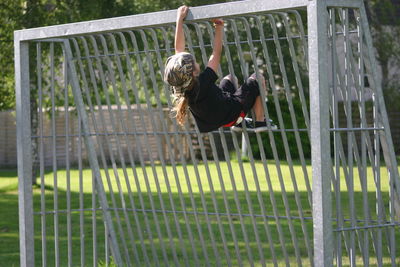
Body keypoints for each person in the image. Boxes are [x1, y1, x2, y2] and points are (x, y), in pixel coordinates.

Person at [164, 5, 275, 133]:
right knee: (257, 78)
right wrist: (219, 26)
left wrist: (179, 19)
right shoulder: (203, 82)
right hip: (233, 114)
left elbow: (179, 51)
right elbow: (216, 53)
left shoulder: (181, 87)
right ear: (194, 72)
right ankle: (260, 121)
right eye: (194, 61)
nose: (196, 60)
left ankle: (240, 123)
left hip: (217, 119)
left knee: (230, 78)